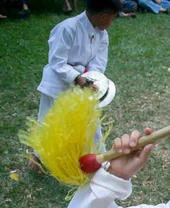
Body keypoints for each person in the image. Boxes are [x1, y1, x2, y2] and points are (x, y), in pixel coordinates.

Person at [29, 0, 121, 172]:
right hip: (57, 82)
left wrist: (91, 79)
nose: (111, 23)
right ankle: (37, 155)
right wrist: (76, 78)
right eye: (112, 19)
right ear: (103, 16)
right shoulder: (67, 28)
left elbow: (98, 62)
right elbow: (56, 61)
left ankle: (100, 156)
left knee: (91, 117)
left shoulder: (102, 34)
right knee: (49, 119)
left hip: (84, 82)